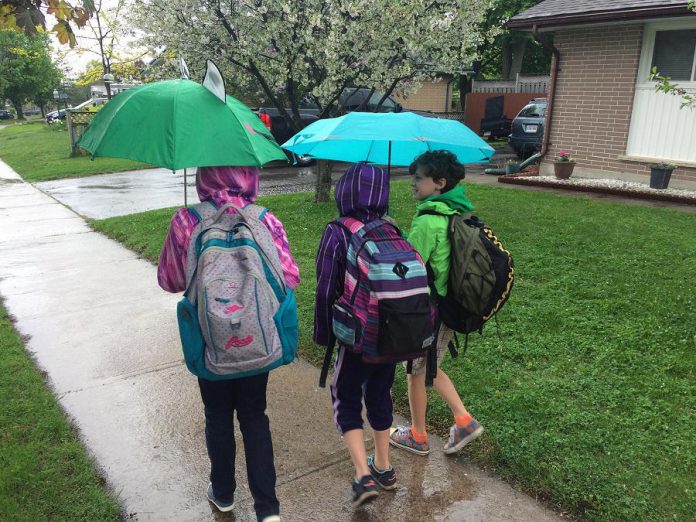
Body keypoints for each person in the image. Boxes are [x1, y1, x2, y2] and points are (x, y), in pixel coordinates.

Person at [158, 166, 299, 522]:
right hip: (257, 339)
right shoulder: (264, 219)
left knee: (217, 415)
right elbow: (290, 276)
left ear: (203, 176)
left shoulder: (187, 220)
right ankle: (268, 509)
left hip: (211, 339)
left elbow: (170, 280)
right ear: (249, 176)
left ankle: (223, 493)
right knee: (255, 415)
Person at [389, 151, 484, 456]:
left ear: (440, 182)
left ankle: (419, 435)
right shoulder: (452, 211)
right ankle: (462, 419)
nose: (412, 183)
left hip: (431, 308)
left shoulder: (429, 219)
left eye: (419, 178)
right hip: (448, 304)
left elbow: (410, 263)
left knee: (418, 370)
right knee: (426, 367)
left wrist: (393, 236)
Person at [314, 164, 397, 507]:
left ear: (344, 192)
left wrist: (323, 333)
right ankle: (385, 466)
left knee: (345, 395)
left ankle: (363, 475)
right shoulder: (392, 230)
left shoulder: (337, 232)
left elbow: (324, 288)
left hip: (357, 336)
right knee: (380, 393)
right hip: (393, 336)